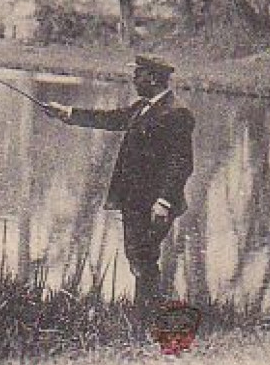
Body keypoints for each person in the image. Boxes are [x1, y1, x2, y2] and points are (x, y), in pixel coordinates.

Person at [43, 55, 195, 313]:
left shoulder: (176, 113)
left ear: (153, 78)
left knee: (143, 257)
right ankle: (145, 312)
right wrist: (67, 114)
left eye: (139, 75)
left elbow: (181, 163)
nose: (134, 80)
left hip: (154, 204)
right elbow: (111, 119)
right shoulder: (142, 107)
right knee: (137, 255)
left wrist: (164, 201)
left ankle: (147, 313)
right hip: (134, 200)